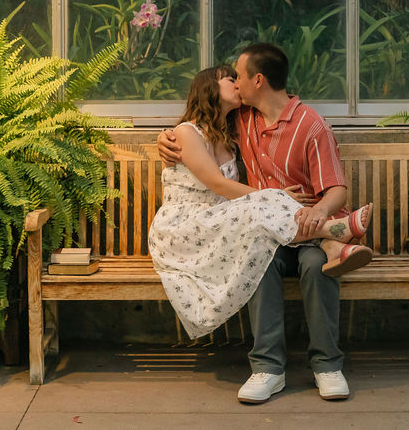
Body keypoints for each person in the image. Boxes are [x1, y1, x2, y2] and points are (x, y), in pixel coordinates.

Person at [157, 43, 368, 404]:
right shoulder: (242, 121)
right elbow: (196, 134)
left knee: (319, 266)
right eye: (230, 79)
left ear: (257, 80)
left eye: (238, 76)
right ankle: (268, 369)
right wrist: (164, 137)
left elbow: (337, 190)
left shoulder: (310, 125)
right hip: (264, 232)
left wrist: (319, 211)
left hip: (307, 230)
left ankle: (327, 366)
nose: (235, 84)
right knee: (258, 258)